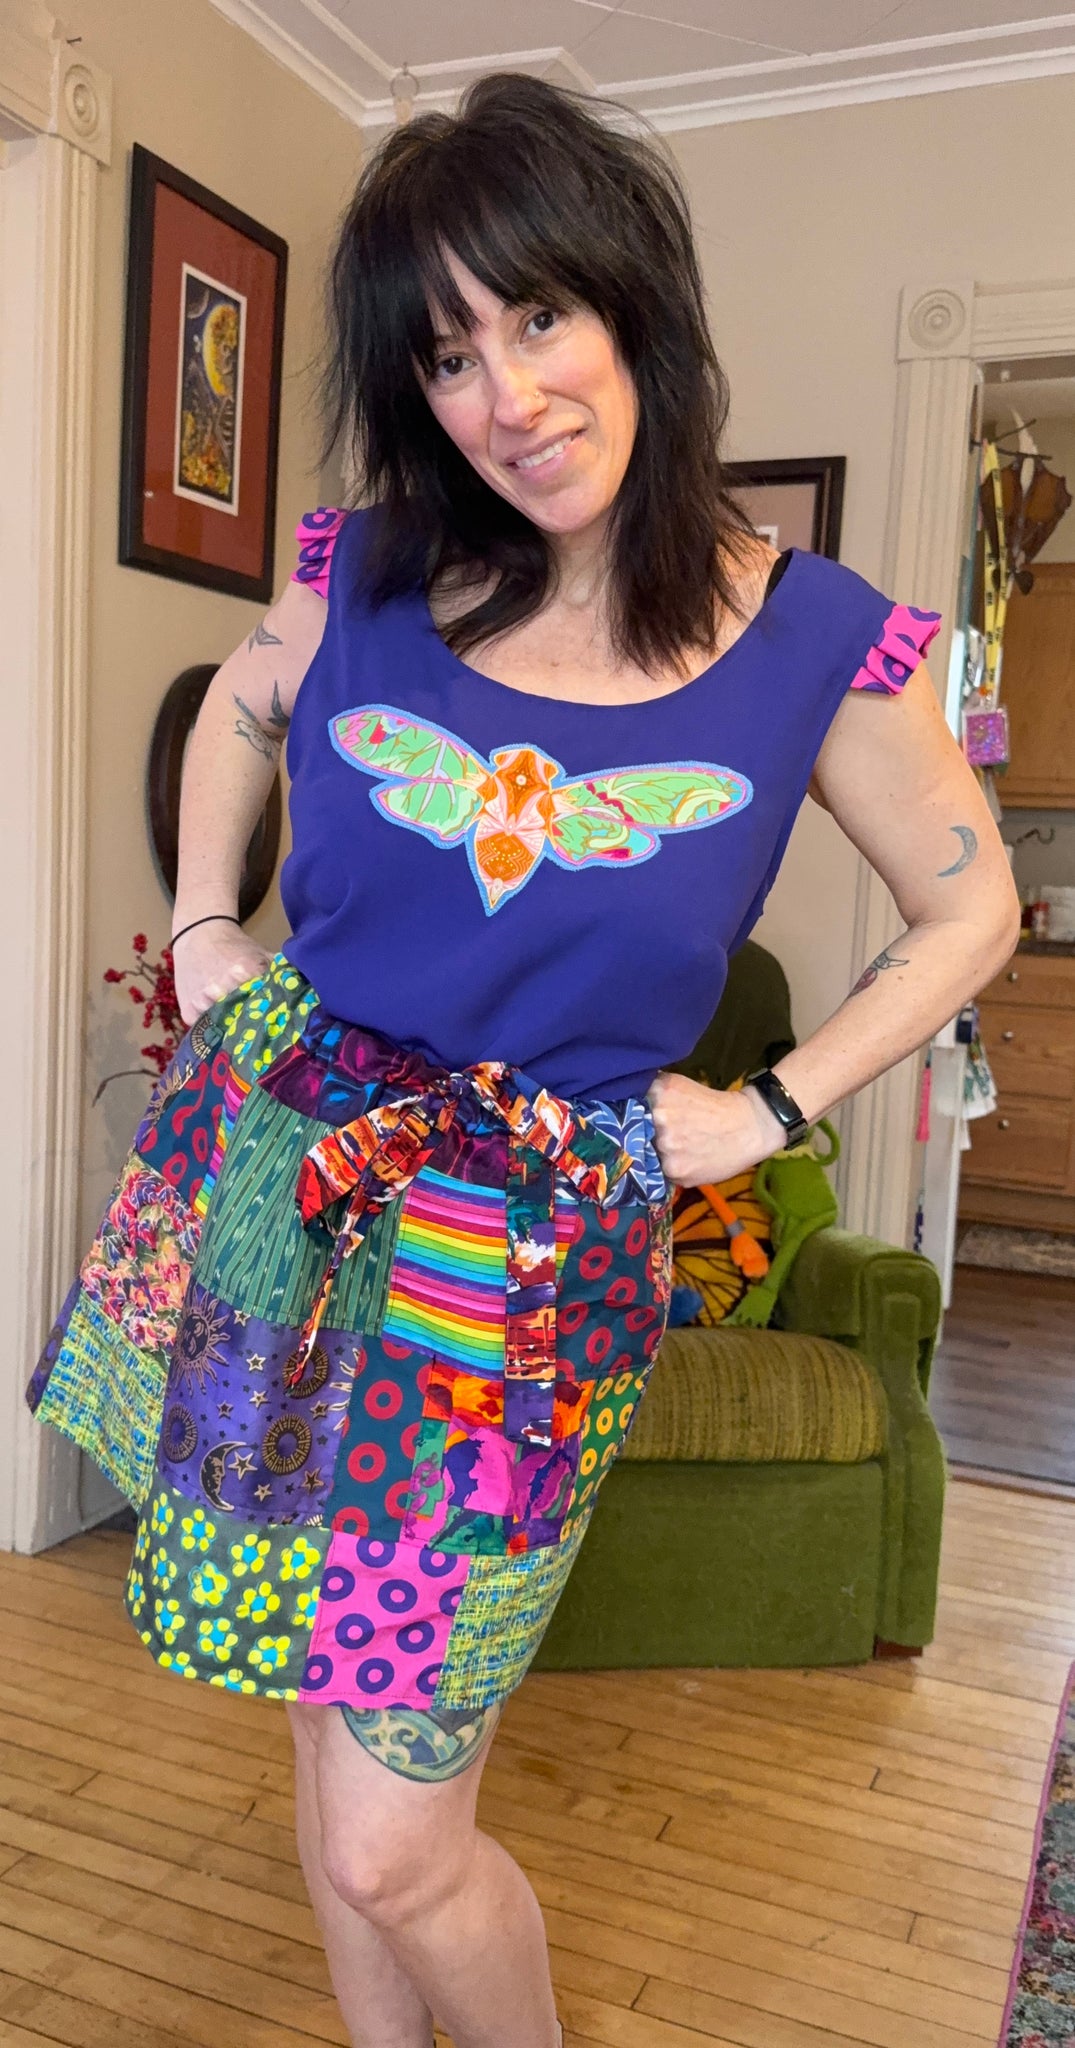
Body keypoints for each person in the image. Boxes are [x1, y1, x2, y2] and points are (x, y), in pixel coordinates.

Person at [29, 69, 1019, 2048]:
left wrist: (768, 1107)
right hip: (282, 1183)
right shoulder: (366, 565)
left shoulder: (819, 640)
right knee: (318, 1729)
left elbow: (973, 904)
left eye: (538, 315)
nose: (507, 393)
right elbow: (237, 709)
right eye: (448, 352)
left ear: (632, 306)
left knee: (400, 1835)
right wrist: (209, 922)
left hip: (519, 1253)